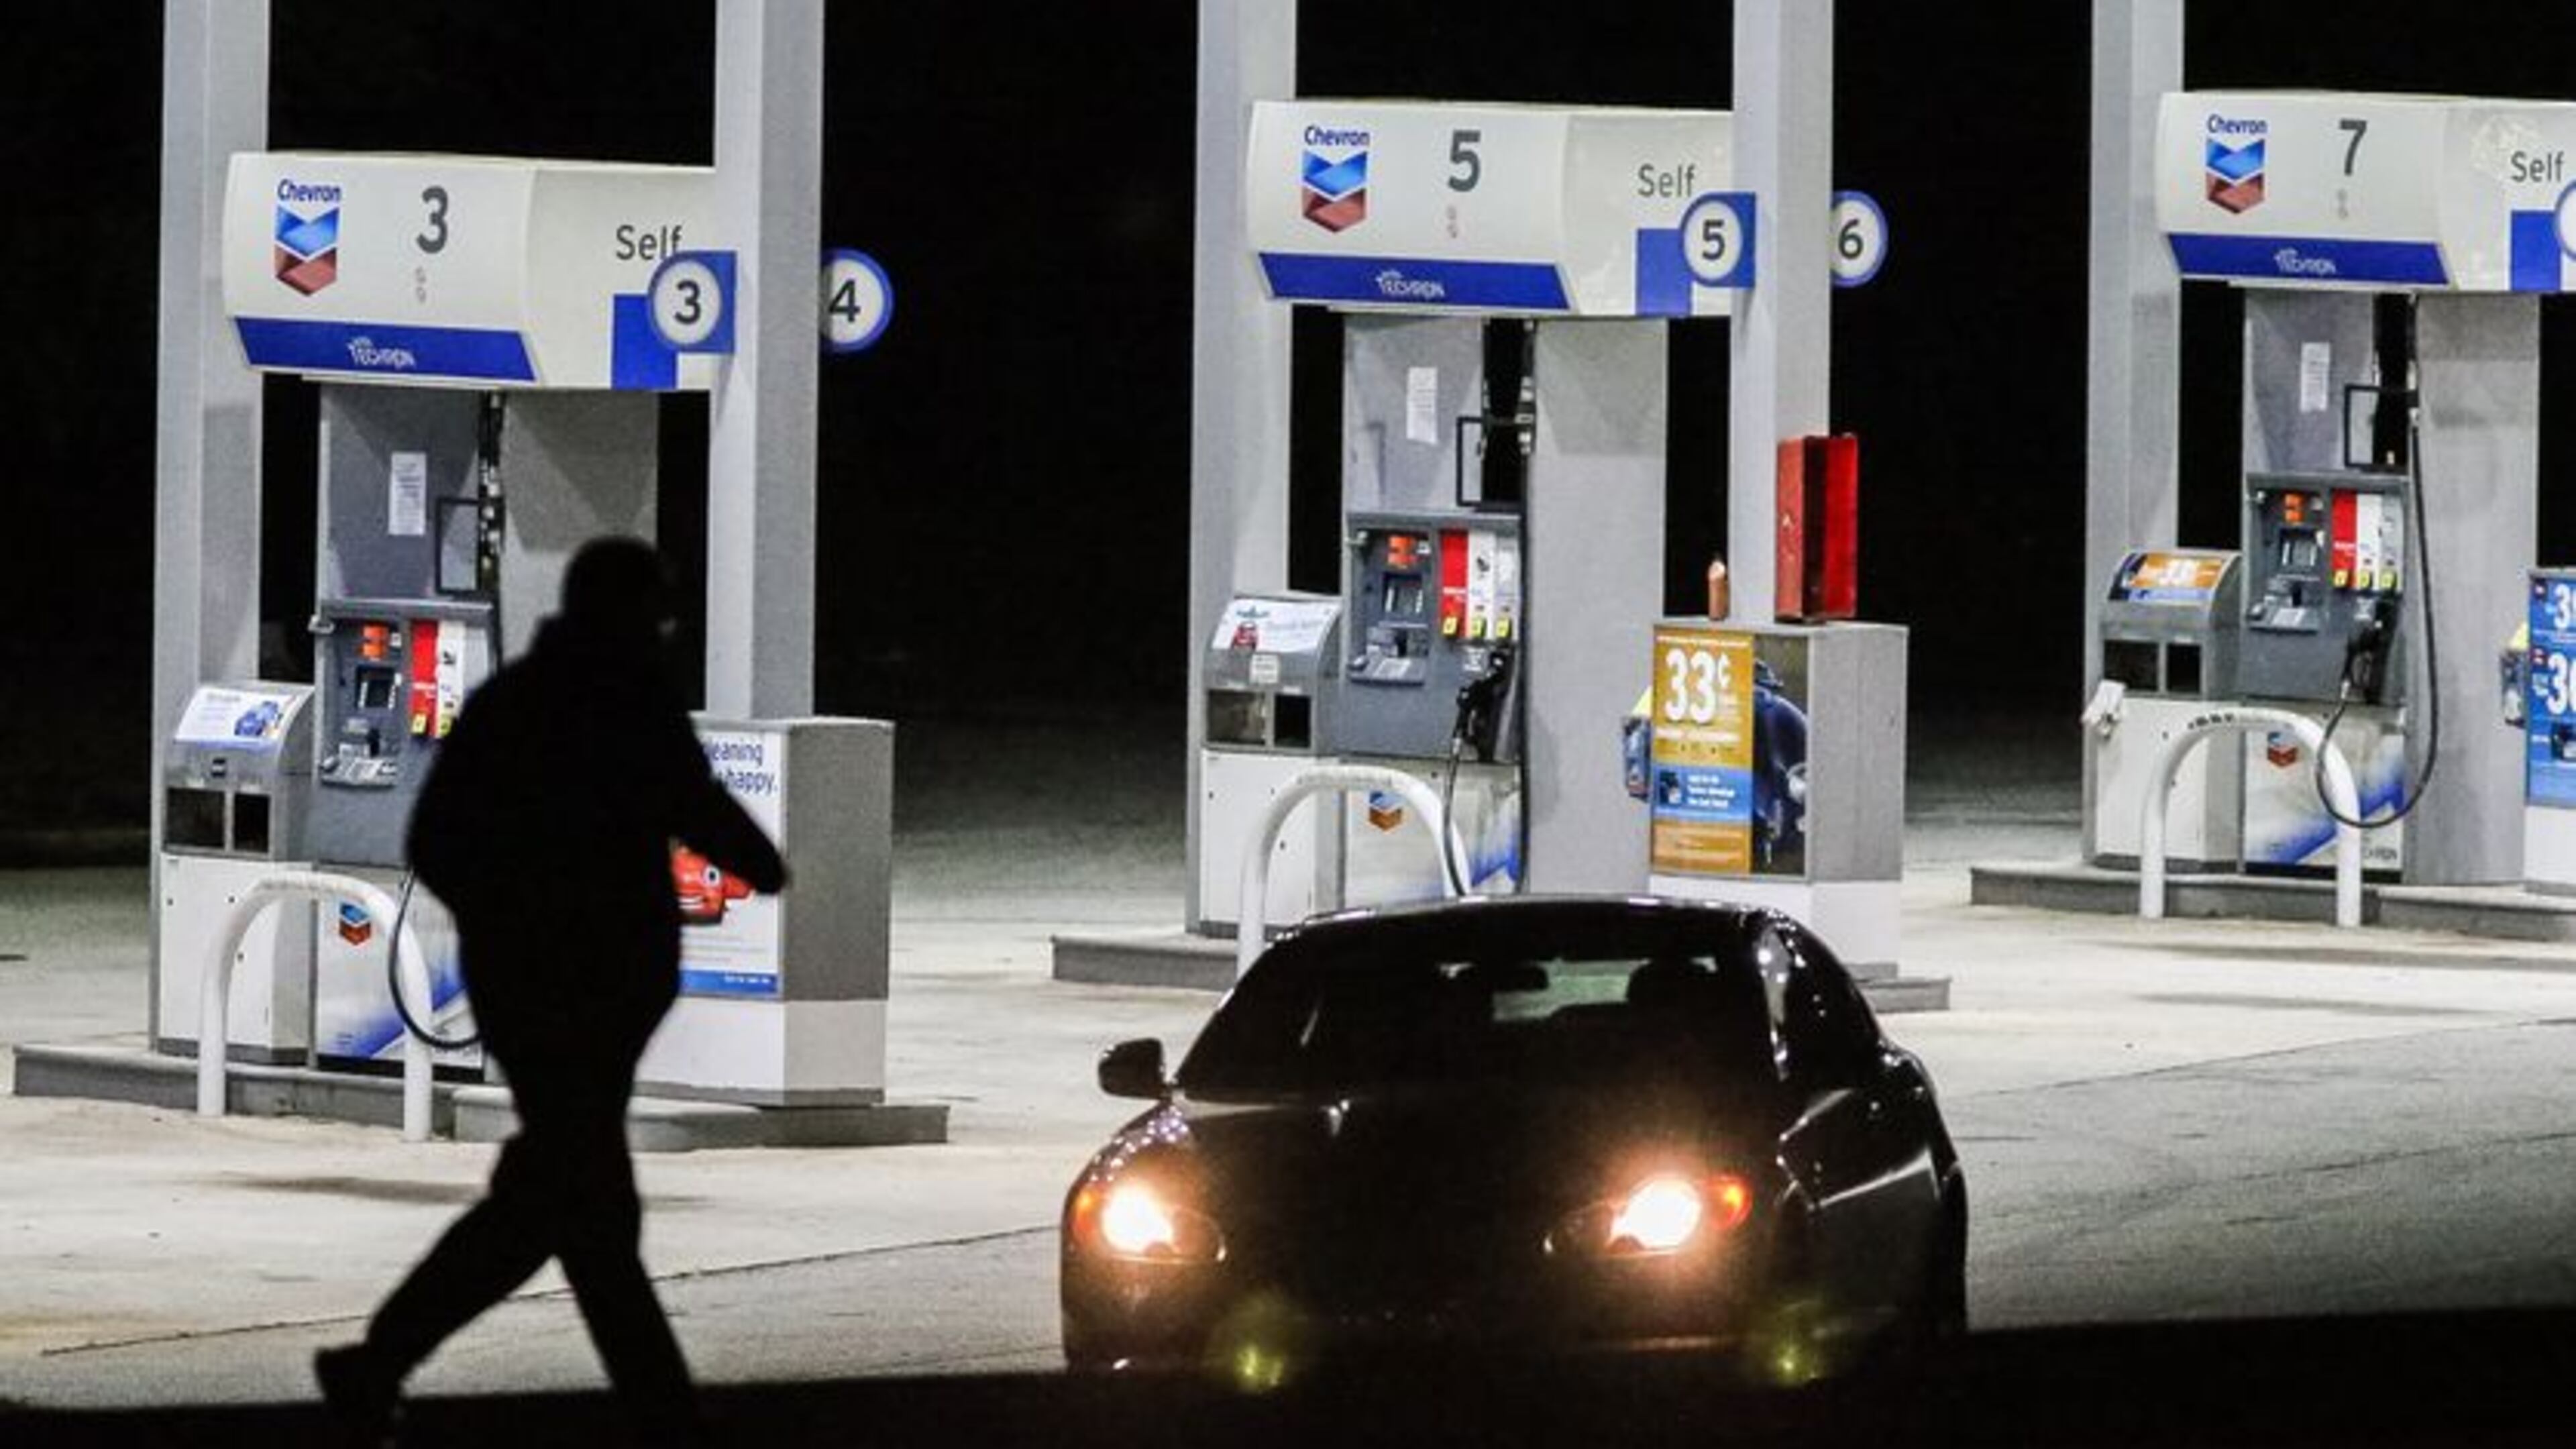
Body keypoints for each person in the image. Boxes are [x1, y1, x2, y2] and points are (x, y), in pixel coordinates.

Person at [314, 537, 787, 1444]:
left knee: (555, 1200)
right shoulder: (625, 704)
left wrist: (500, 923)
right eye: (657, 614)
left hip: (532, 996)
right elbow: (699, 808)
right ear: (628, 617)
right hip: (585, 998)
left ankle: (377, 1364)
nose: (665, 631)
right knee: (590, 1211)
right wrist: (761, 865)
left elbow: (435, 841)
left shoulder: (509, 704)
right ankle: (659, 1409)